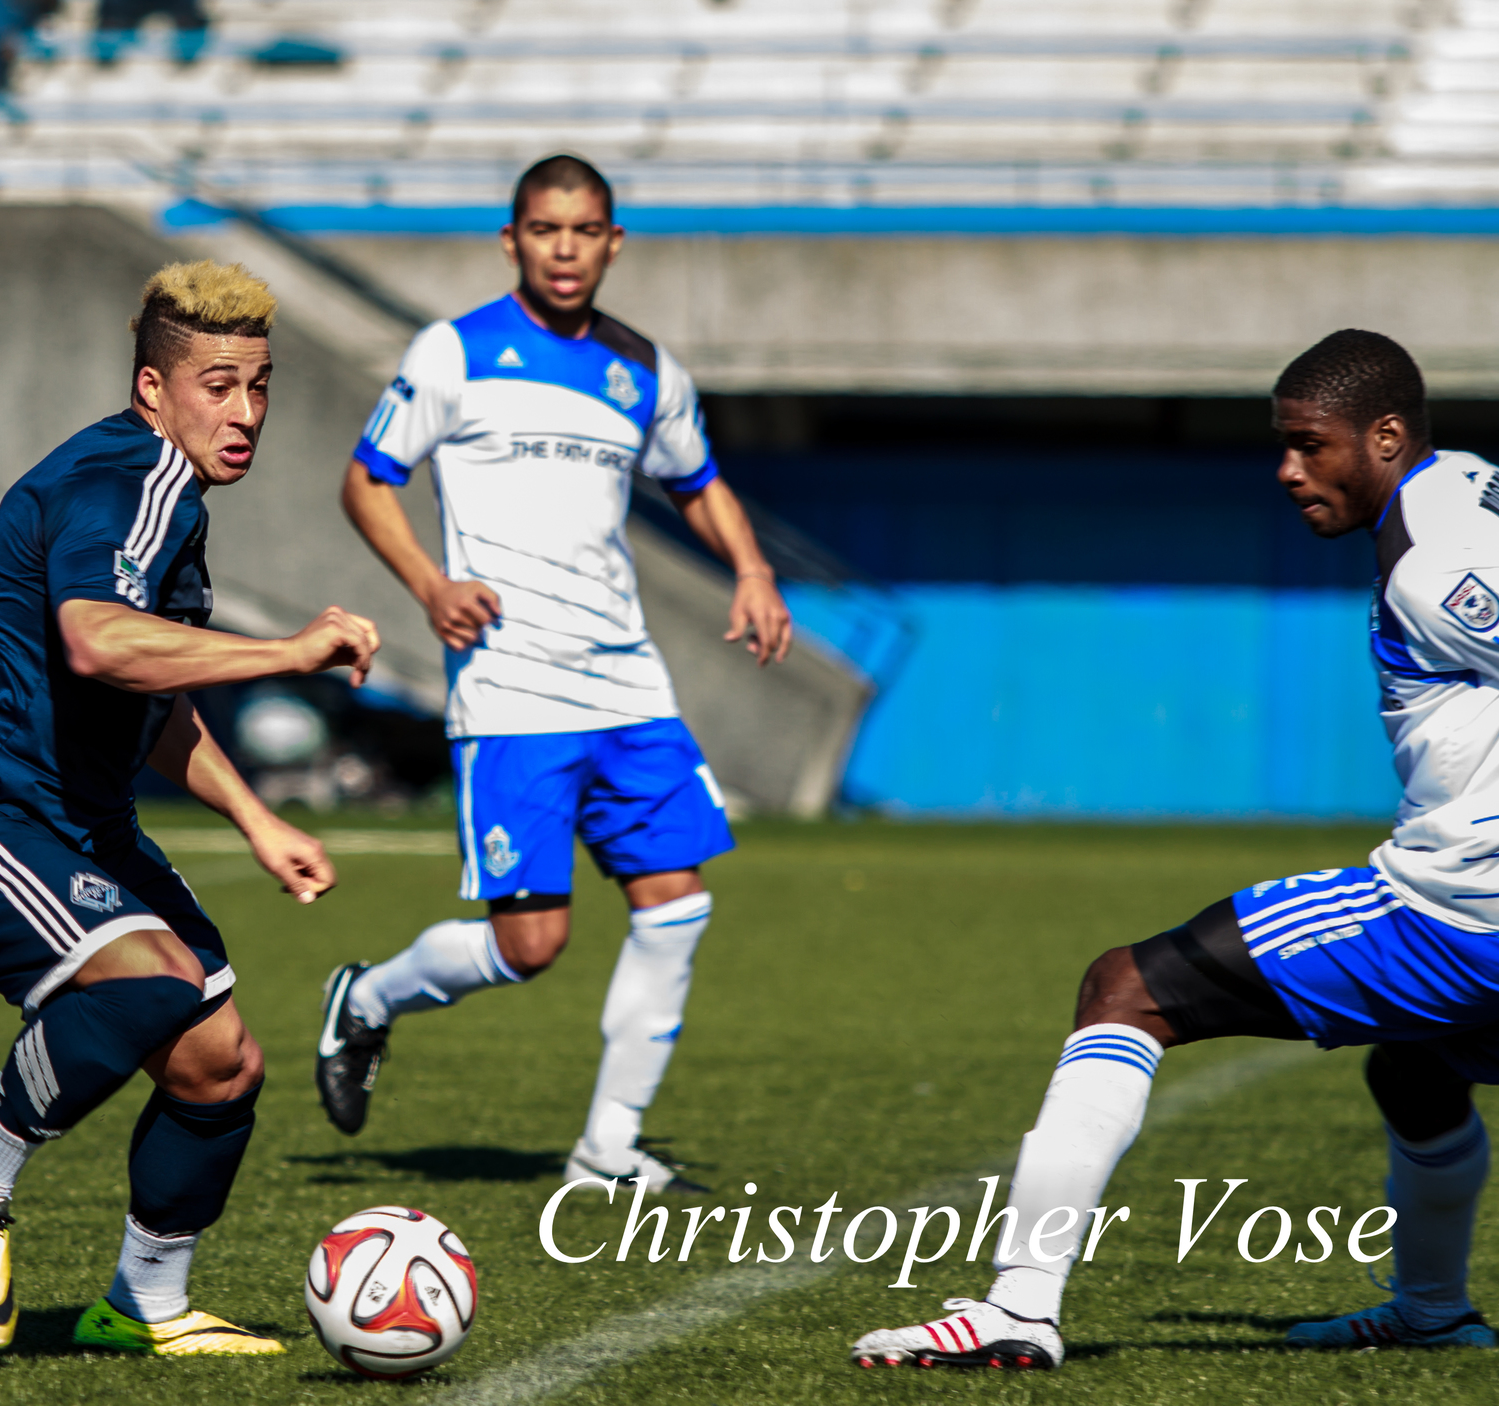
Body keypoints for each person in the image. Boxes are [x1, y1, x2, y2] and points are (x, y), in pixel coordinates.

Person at [851, 329, 1499, 1370]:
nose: (1286, 470)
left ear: (1384, 437)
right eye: (1281, 446)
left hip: (1453, 914)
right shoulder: (1460, 482)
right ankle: (1430, 1309)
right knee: (1415, 1073)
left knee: (1124, 987)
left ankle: (1018, 1300)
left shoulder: (1435, 570)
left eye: (1308, 445)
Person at [0, 260, 377, 1356]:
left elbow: (150, 700)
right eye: (217, 384)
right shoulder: (128, 478)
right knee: (153, 981)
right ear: (153, 388)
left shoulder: (172, 498)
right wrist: (289, 650)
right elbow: (97, 640)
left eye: (259, 385)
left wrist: (258, 821)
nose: (244, 412)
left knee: (220, 1059)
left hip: (77, 821)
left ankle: (143, 1302)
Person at [317, 155, 794, 1191]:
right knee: (530, 944)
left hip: (629, 683)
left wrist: (752, 570)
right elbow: (367, 480)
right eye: (544, 229)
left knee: (676, 904)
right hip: (511, 685)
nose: (564, 248)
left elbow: (698, 483)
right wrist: (430, 586)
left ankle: (606, 1145)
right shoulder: (454, 353)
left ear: (613, 242)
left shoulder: (647, 371)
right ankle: (367, 999)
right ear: (511, 239)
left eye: (584, 231)